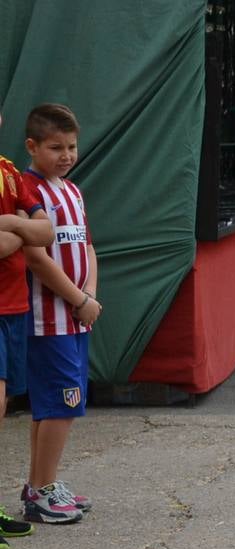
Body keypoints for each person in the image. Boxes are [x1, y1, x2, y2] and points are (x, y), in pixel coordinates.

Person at [19, 103, 99, 525]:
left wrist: (90, 295)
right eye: (55, 147)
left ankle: (40, 482)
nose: (66, 155)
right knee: (62, 404)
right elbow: (35, 257)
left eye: (71, 146)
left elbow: (87, 245)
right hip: (45, 319)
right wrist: (76, 298)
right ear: (31, 146)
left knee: (55, 405)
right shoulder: (26, 192)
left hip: (75, 316)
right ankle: (43, 492)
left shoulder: (72, 190)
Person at [0, 108, 53, 549]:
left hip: (13, 306)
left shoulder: (9, 172)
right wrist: (23, 230)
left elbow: (45, 230)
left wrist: (13, 224)